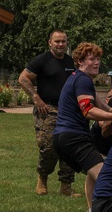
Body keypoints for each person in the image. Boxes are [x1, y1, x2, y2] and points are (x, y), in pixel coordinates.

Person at [53, 42, 112, 212]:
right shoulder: (82, 79)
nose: (97, 63)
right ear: (80, 61)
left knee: (93, 171)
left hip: (62, 138)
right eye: (92, 59)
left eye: (98, 59)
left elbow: (100, 103)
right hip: (74, 137)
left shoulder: (76, 77)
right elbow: (88, 110)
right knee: (107, 177)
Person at [18, 30, 78, 197]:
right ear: (49, 42)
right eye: (57, 41)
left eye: (63, 41)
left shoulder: (71, 61)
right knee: (49, 145)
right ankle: (42, 178)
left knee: (69, 146)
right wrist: (36, 97)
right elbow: (23, 78)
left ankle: (66, 186)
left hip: (70, 110)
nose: (60, 44)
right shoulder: (42, 60)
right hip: (48, 108)